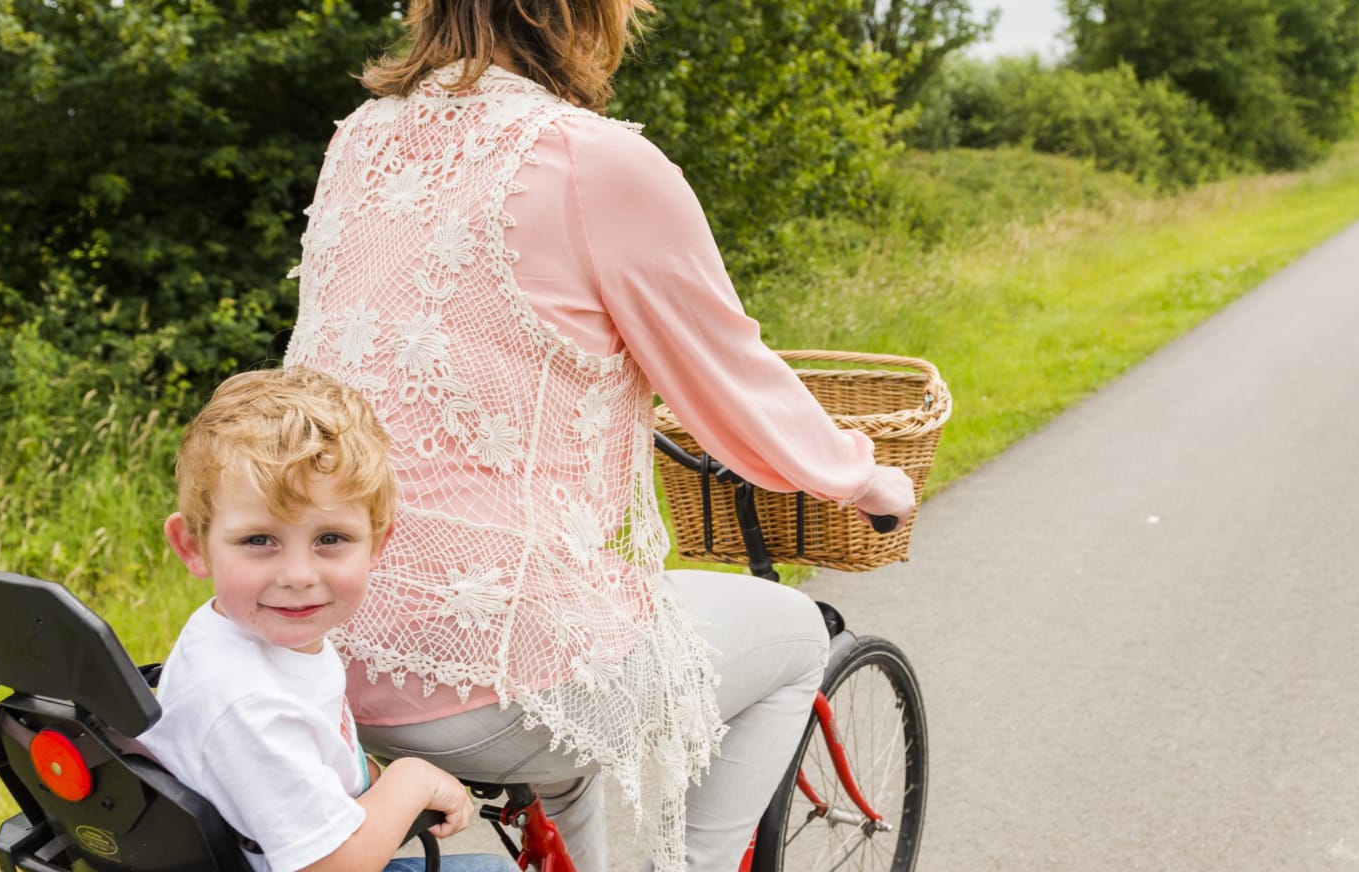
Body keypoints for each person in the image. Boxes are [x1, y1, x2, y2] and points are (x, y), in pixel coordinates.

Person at [279, 1, 920, 869]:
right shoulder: (595, 160)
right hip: (498, 666)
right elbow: (728, 378)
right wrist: (862, 478)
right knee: (797, 635)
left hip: (321, 641)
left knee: (576, 758)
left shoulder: (358, 140)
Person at [140, 367, 518, 872]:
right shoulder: (249, 705)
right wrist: (410, 778)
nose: (298, 575)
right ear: (194, 547)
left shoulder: (237, 632)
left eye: (330, 540)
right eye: (259, 541)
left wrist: (371, 779)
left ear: (375, 544)